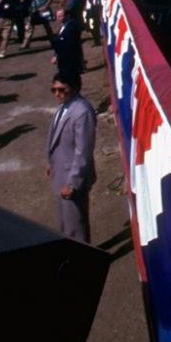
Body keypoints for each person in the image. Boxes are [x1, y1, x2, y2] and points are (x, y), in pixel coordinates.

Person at [47, 72, 96, 242]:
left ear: (75, 88)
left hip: (73, 178)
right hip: (61, 173)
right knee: (65, 224)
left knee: (76, 227)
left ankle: (84, 263)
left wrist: (72, 183)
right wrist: (51, 164)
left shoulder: (82, 112)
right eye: (53, 90)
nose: (57, 94)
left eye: (61, 90)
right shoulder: (64, 106)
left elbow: (83, 151)